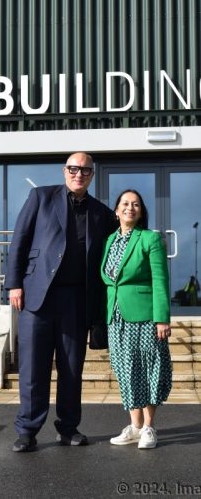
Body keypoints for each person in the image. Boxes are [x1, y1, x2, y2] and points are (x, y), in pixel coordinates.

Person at [5, 152, 117, 452]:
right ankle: (27, 431)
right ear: (64, 171)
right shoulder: (41, 197)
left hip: (76, 300)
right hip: (37, 297)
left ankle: (68, 428)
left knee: (71, 368)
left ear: (92, 175)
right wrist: (14, 283)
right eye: (73, 169)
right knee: (32, 369)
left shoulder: (102, 214)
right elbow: (20, 241)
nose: (78, 174)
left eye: (84, 170)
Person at [101, 189, 172, 449]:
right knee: (125, 370)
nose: (130, 208)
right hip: (117, 317)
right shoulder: (109, 241)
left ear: (141, 211)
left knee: (150, 368)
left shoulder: (150, 239)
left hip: (145, 317)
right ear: (117, 210)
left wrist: (162, 319)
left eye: (136, 204)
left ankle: (149, 428)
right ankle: (135, 426)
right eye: (125, 204)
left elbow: (160, 281)